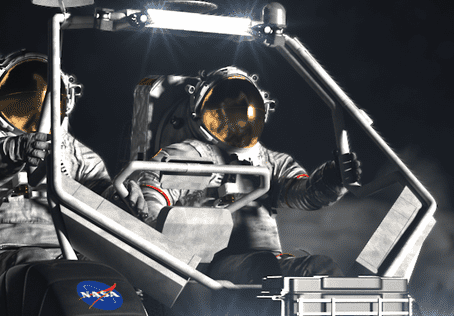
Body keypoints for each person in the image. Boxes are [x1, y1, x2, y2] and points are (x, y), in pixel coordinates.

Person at [122, 66, 360, 285]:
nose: (237, 121)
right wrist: (153, 224)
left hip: (263, 262)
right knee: (291, 272)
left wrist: (332, 179)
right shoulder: (194, 155)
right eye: (228, 112)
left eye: (244, 111)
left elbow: (305, 194)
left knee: (317, 271)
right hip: (210, 267)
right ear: (200, 113)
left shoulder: (269, 161)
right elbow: (152, 193)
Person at [0, 51, 111, 289]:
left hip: (67, 256)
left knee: (108, 274)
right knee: (37, 267)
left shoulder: (77, 154)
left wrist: (121, 198)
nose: (36, 103)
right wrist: (15, 150)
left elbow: (102, 198)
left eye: (45, 93)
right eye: (23, 97)